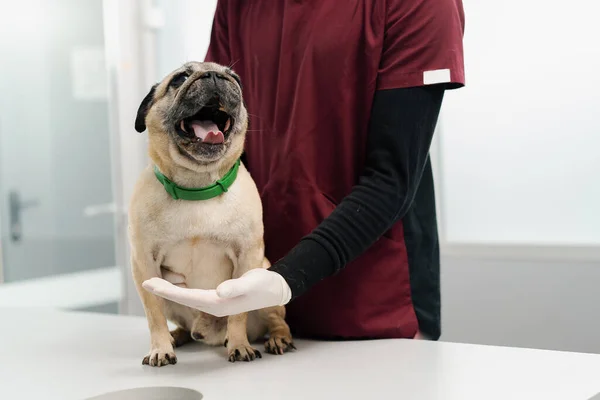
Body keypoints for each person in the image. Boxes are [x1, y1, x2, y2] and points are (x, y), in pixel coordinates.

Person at [143, 0, 465, 341]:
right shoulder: (237, 6)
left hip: (375, 311)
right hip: (259, 311)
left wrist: (284, 280)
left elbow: (391, 180)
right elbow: (228, 152)